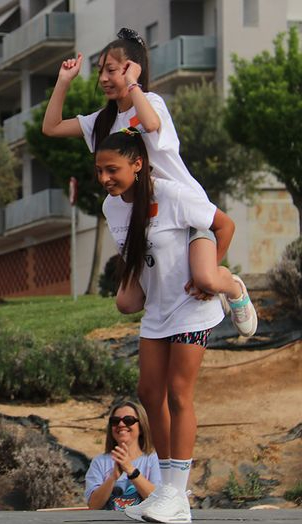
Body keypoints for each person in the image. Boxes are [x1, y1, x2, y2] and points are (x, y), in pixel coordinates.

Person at [41, 28, 257, 337]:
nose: (103, 78)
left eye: (112, 70)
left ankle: (231, 286)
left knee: (206, 279)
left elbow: (151, 123)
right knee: (127, 302)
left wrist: (133, 85)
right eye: (100, 70)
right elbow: (51, 127)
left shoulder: (151, 103)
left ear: (132, 70)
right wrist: (63, 80)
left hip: (183, 211)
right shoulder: (103, 120)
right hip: (147, 218)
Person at [96, 129, 230, 523]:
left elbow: (225, 226)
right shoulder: (112, 207)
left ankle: (176, 492)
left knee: (178, 393)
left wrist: (205, 275)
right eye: (99, 170)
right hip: (157, 309)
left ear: (137, 165)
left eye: (113, 169)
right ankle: (170, 495)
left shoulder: (172, 194)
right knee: (149, 393)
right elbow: (134, 256)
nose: (105, 178)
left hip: (191, 306)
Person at [85, 401, 160, 511]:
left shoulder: (153, 460)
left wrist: (131, 471)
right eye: (115, 421)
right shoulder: (99, 462)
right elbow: (93, 505)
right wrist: (113, 477)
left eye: (128, 420)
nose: (121, 424)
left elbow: (158, 500)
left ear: (141, 426)